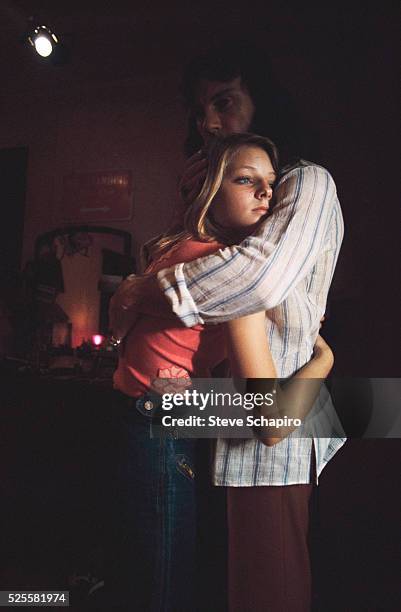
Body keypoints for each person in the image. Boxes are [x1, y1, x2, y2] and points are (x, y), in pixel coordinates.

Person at [110, 42, 345, 611]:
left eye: (226, 101)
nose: (210, 120)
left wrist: (142, 291)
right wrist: (324, 360)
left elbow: (255, 282)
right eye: (202, 110)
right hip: (239, 417)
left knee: (266, 588)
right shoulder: (217, 248)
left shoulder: (306, 183)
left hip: (271, 424)